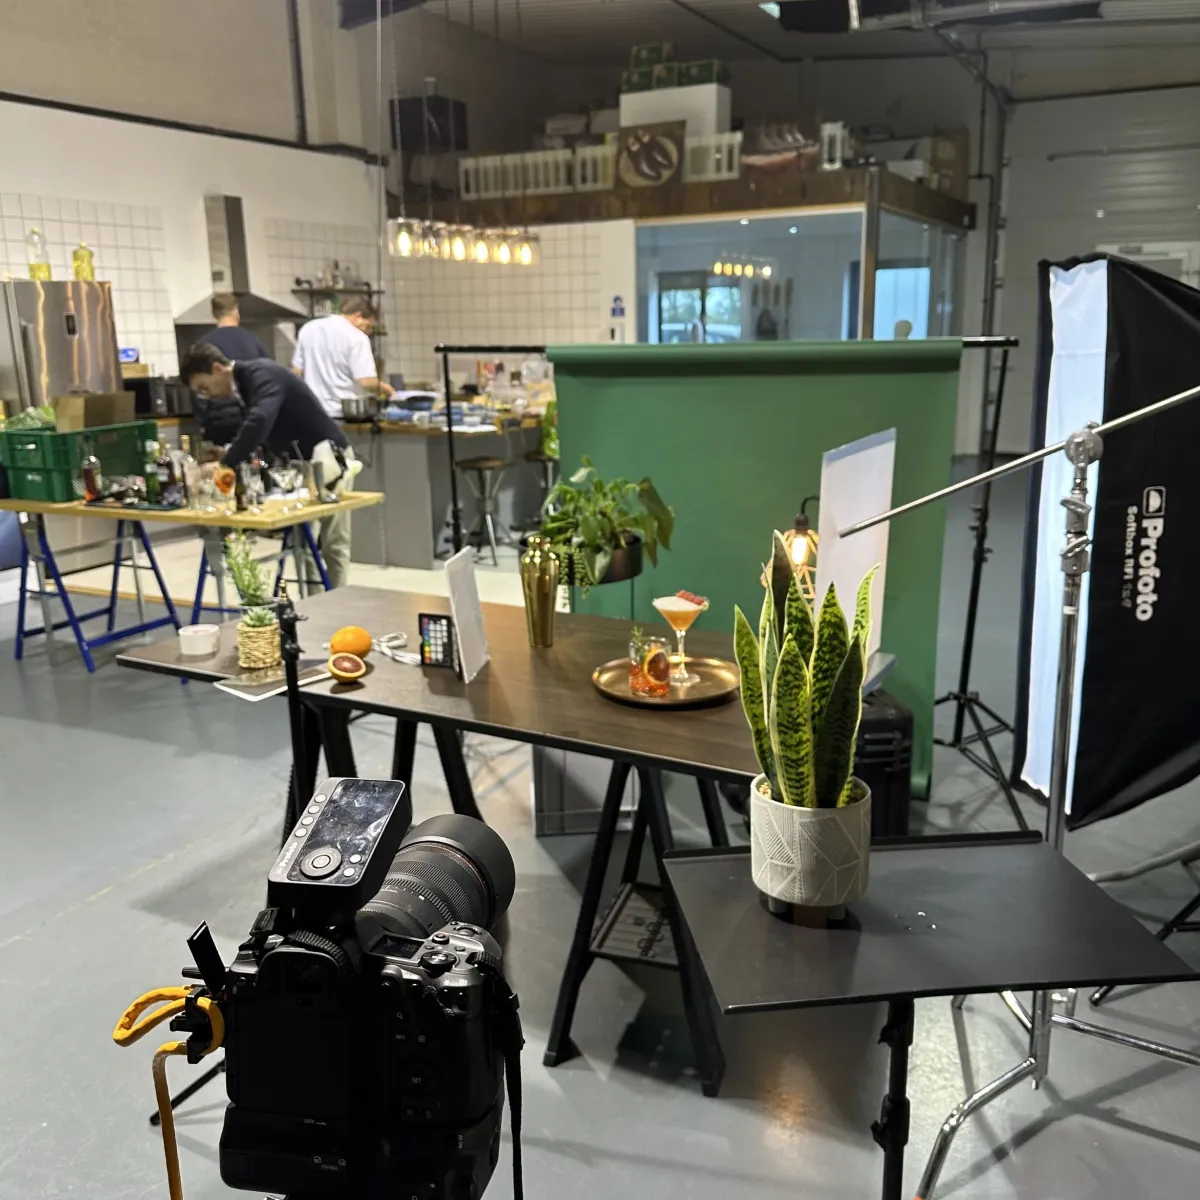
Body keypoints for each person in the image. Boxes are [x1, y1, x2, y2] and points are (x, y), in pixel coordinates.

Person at [179, 343, 357, 588]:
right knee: (304, 542)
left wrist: (226, 464)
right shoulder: (243, 386)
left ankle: (339, 597)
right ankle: (319, 601)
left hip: (328, 457)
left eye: (204, 386)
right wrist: (227, 451)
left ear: (218, 369)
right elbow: (262, 431)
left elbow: (260, 420)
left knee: (333, 541)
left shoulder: (262, 374)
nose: (205, 395)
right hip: (300, 464)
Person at [292, 296, 394, 420]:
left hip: (312, 413)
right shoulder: (357, 338)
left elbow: (296, 372)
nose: (368, 331)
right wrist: (389, 390)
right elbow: (366, 382)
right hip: (342, 414)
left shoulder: (308, 329)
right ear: (357, 316)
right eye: (368, 326)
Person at [203, 293, 272, 361]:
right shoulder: (253, 341)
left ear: (214, 314)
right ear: (236, 311)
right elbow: (268, 369)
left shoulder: (204, 345)